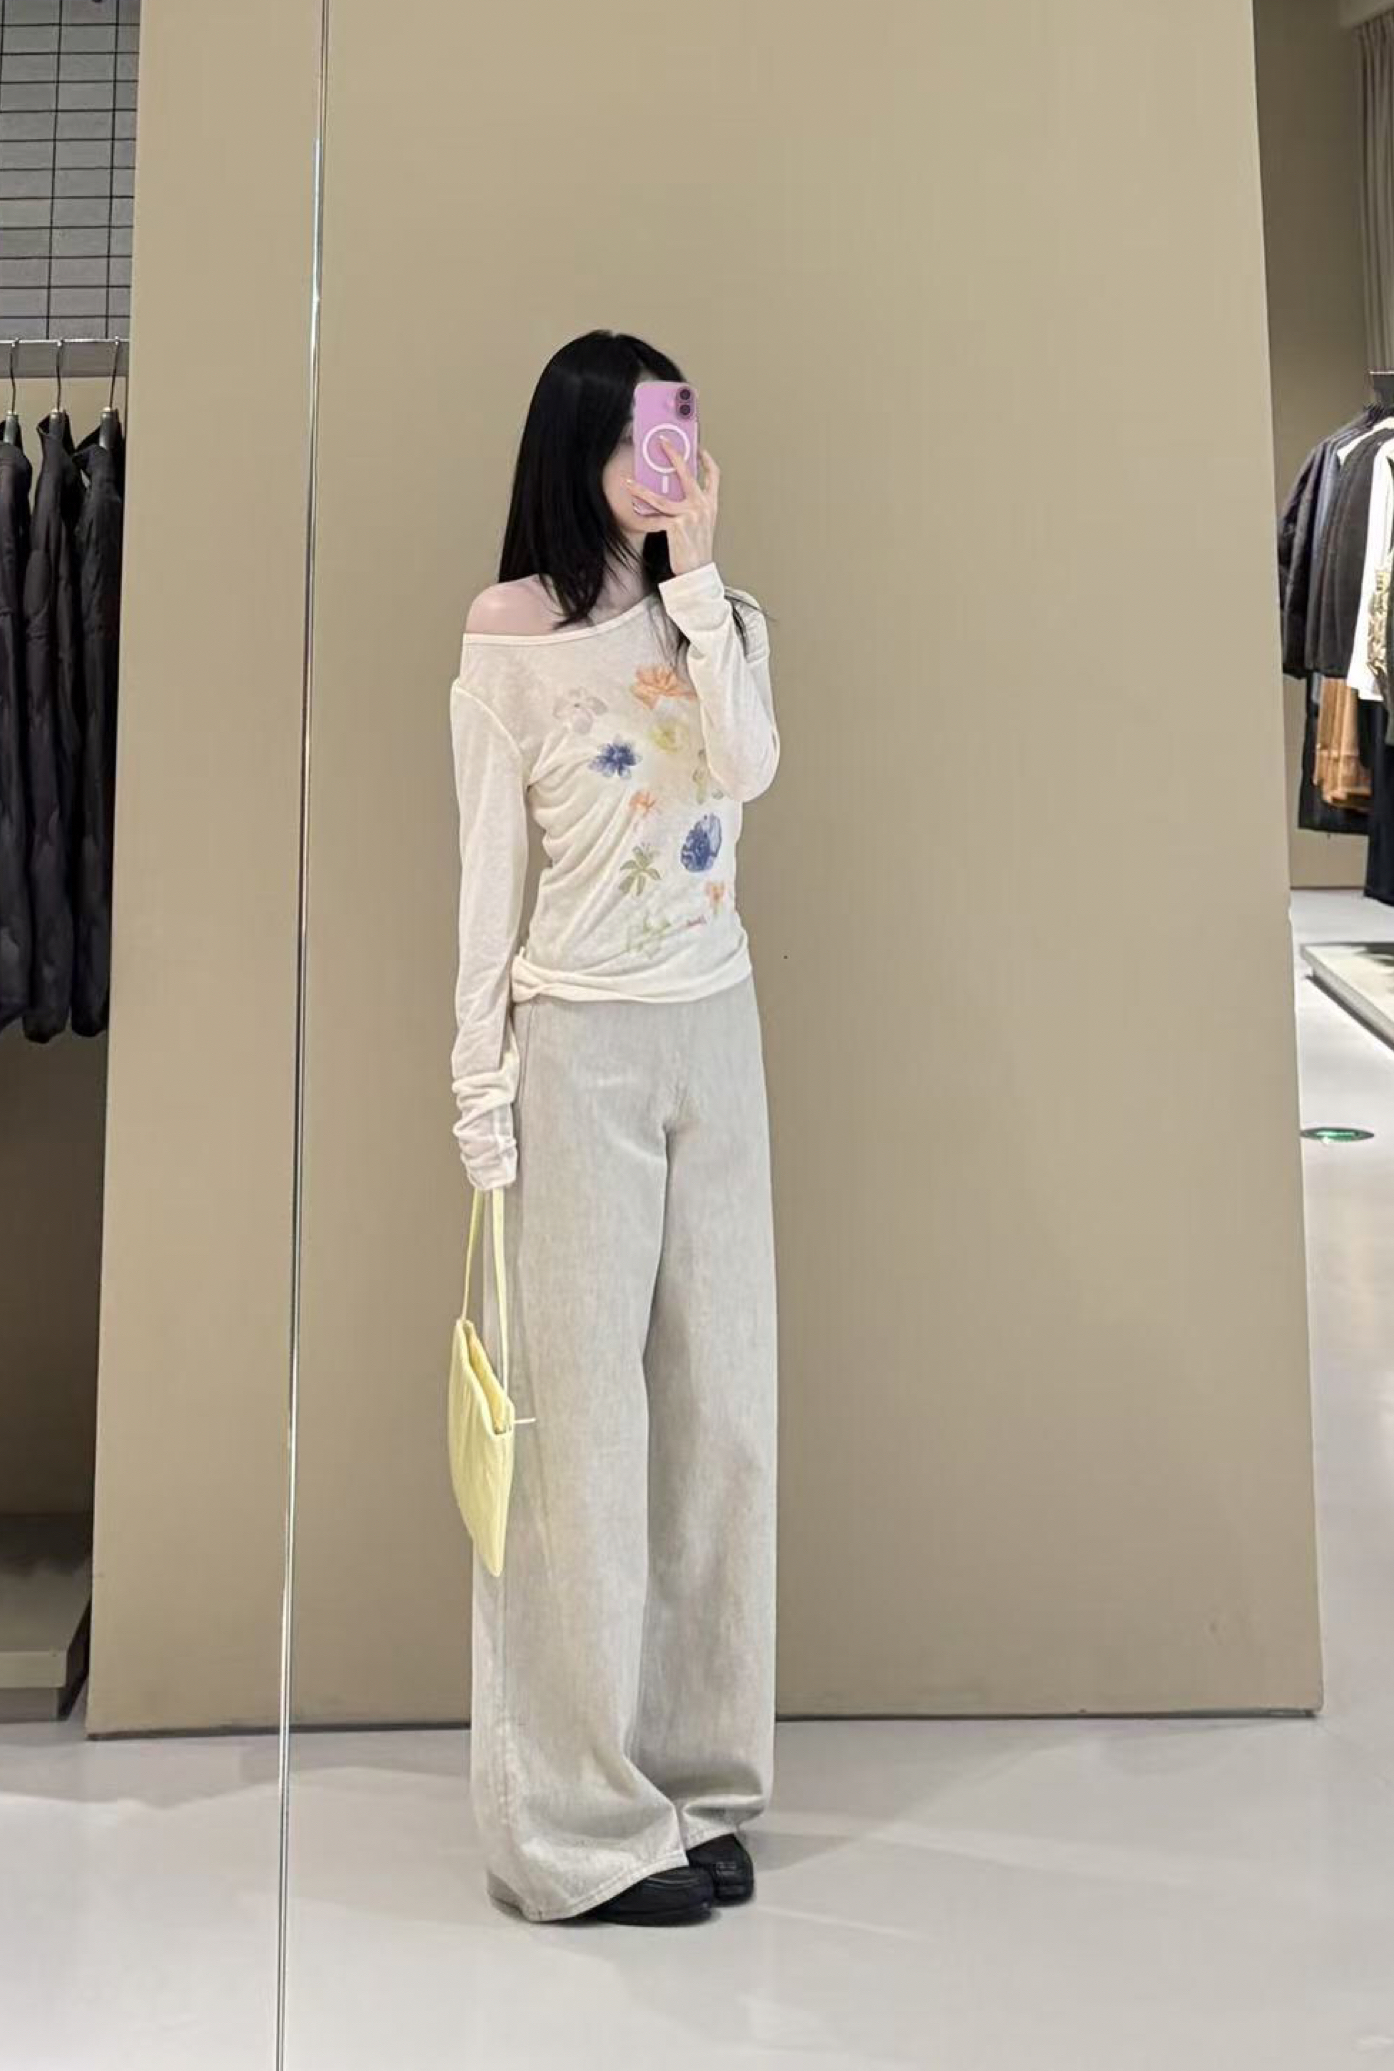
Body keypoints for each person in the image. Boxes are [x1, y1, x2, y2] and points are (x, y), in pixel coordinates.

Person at [448, 329, 781, 1926]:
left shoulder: (722, 619)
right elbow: (485, 877)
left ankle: (697, 1782)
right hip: (571, 1045)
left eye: (679, 433)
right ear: (576, 448)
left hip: (717, 1032)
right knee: (577, 1443)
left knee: (723, 1422)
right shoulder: (507, 634)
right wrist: (478, 1093)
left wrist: (698, 577)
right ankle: (575, 1826)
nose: (664, 465)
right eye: (638, 437)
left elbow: (750, 770)